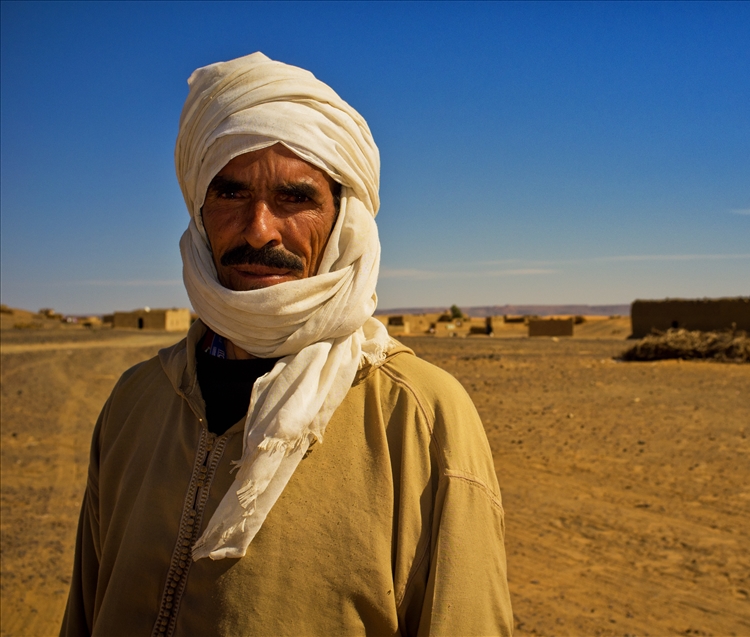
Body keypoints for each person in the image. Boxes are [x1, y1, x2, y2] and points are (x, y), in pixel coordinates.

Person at [60, 52, 513, 637]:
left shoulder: (420, 418)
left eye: (295, 199)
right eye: (231, 193)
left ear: (342, 219)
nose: (259, 229)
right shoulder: (135, 402)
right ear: (199, 209)